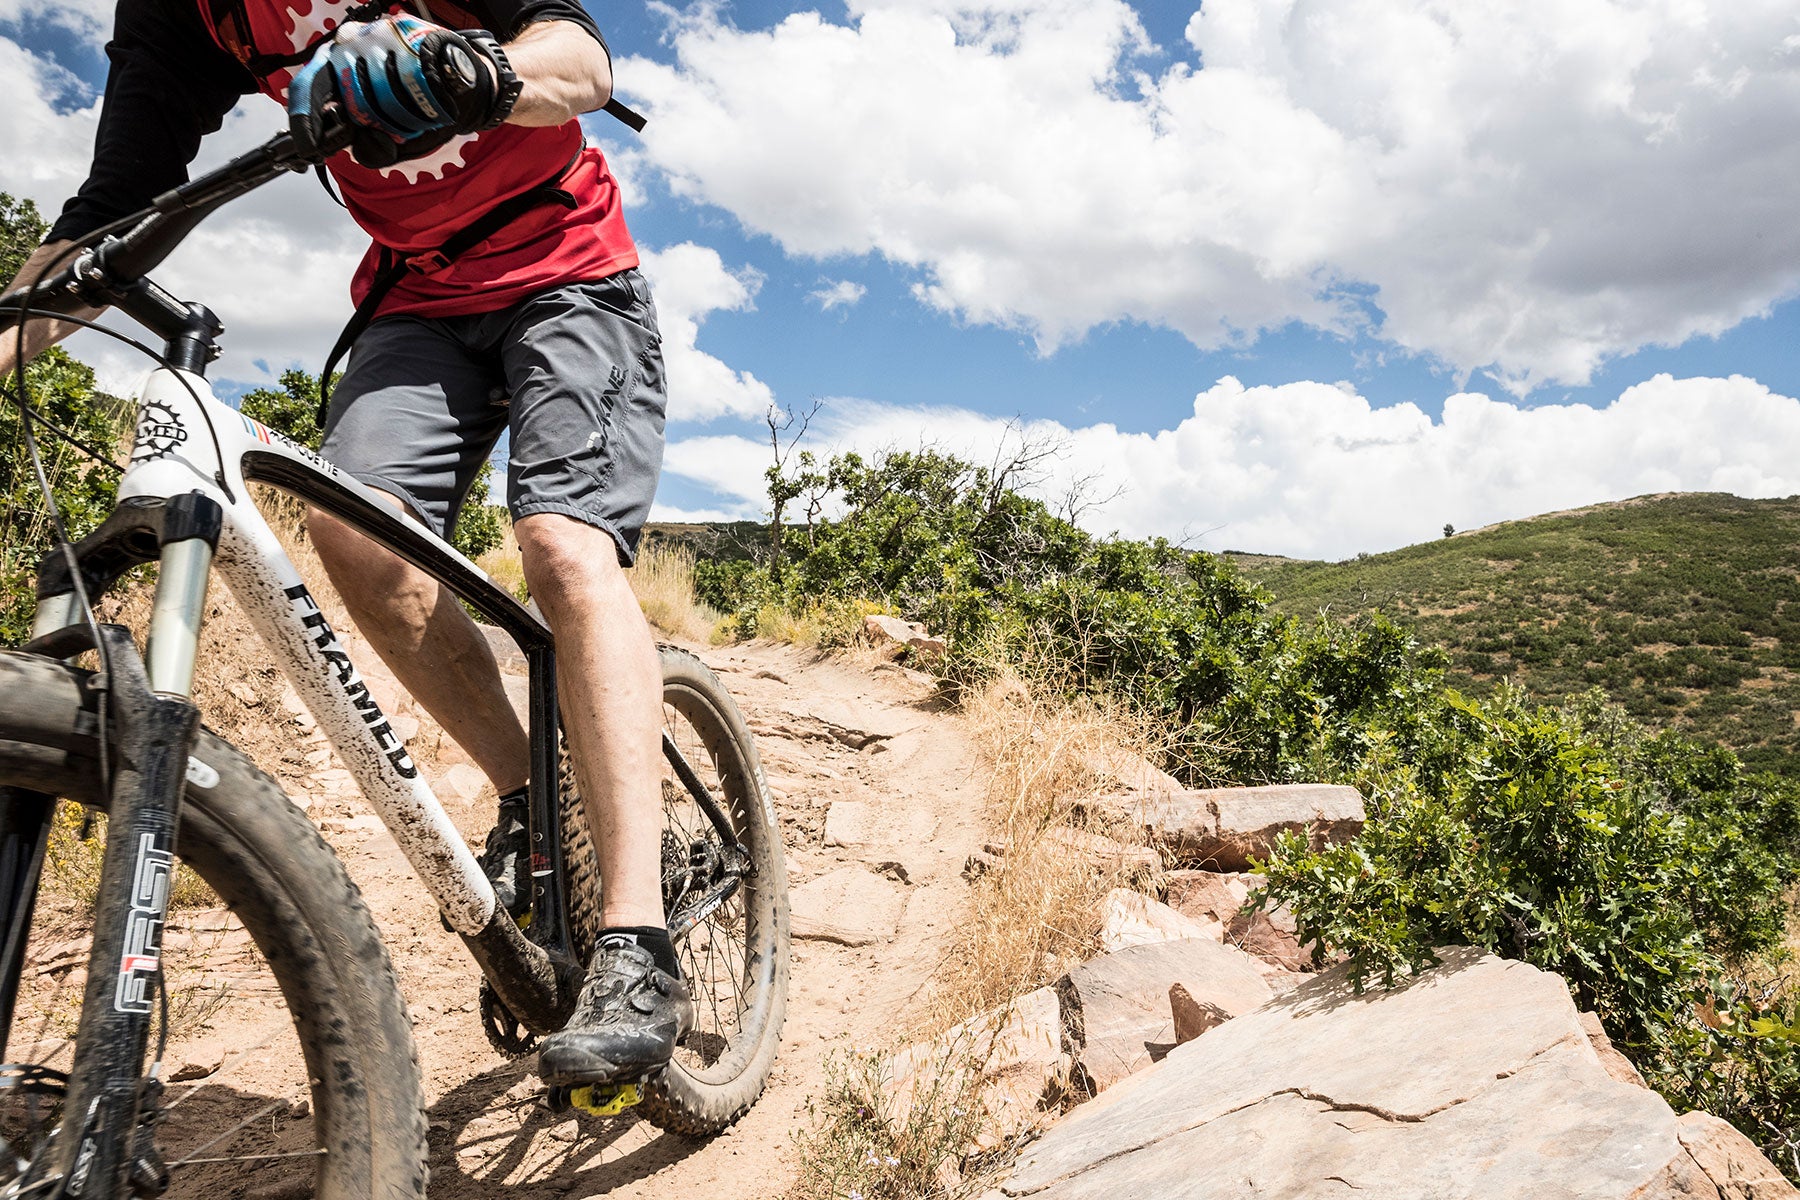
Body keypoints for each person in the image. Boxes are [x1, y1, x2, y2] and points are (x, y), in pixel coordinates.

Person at [0, 0, 688, 1087]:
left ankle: (637, 941)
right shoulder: (189, 16)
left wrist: (477, 72)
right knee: (354, 535)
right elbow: (112, 211)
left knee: (561, 547)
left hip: (571, 274)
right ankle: (532, 801)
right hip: (415, 302)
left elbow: (580, 57)